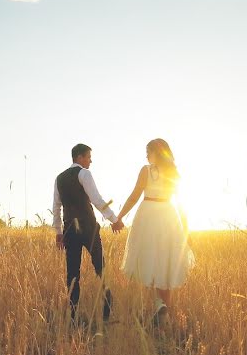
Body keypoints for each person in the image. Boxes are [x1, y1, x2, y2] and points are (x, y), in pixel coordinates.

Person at [116, 138, 194, 324]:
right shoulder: (173, 172)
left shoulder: (146, 170)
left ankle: (159, 304)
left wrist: (119, 217)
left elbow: (135, 196)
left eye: (148, 151)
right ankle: (163, 310)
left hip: (148, 215)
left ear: (155, 152)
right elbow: (182, 206)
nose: (146, 155)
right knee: (166, 262)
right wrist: (186, 231)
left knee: (148, 260)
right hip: (169, 215)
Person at [52, 143, 125, 323]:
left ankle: (74, 315)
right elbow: (97, 199)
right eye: (88, 157)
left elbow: (56, 207)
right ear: (79, 157)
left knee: (73, 273)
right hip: (88, 228)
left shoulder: (59, 178)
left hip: (69, 229)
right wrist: (114, 220)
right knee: (101, 267)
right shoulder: (84, 174)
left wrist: (59, 232)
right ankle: (107, 312)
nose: (90, 160)